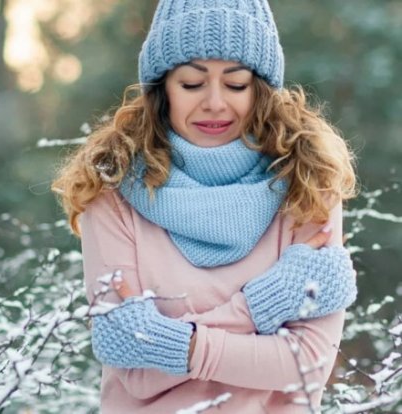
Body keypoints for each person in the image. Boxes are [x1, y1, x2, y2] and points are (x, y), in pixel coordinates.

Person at [52, 0, 358, 412]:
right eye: (192, 84)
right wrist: (262, 305)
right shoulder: (110, 188)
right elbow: (135, 372)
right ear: (162, 89)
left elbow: (309, 363)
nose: (215, 103)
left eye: (235, 84)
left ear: (261, 89)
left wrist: (173, 344)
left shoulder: (307, 184)